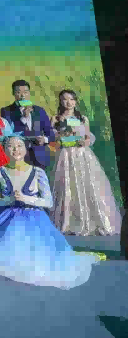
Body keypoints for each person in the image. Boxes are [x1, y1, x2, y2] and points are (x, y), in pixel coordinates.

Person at [0, 135, 97, 288]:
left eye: (19, 145)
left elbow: (48, 202)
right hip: (8, 220)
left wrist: (26, 199)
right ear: (4, 150)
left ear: (25, 148)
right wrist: (10, 199)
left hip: (34, 219)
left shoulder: (37, 172)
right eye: (11, 146)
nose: (15, 149)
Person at [50, 88, 121, 236]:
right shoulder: (55, 118)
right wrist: (62, 135)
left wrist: (85, 141)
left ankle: (92, 221)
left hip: (82, 154)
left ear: (75, 101)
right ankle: (68, 222)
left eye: (71, 99)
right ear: (60, 101)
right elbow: (52, 139)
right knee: (67, 186)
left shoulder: (82, 118)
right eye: (65, 99)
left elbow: (88, 137)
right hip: (66, 155)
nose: (68, 102)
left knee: (88, 185)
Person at [0, 80, 57, 168]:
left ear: (29, 93)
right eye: (18, 92)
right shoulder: (6, 111)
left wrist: (44, 139)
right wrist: (24, 118)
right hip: (18, 155)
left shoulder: (39, 110)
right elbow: (9, 133)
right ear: (13, 93)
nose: (23, 95)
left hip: (40, 155)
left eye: (25, 92)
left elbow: (50, 133)